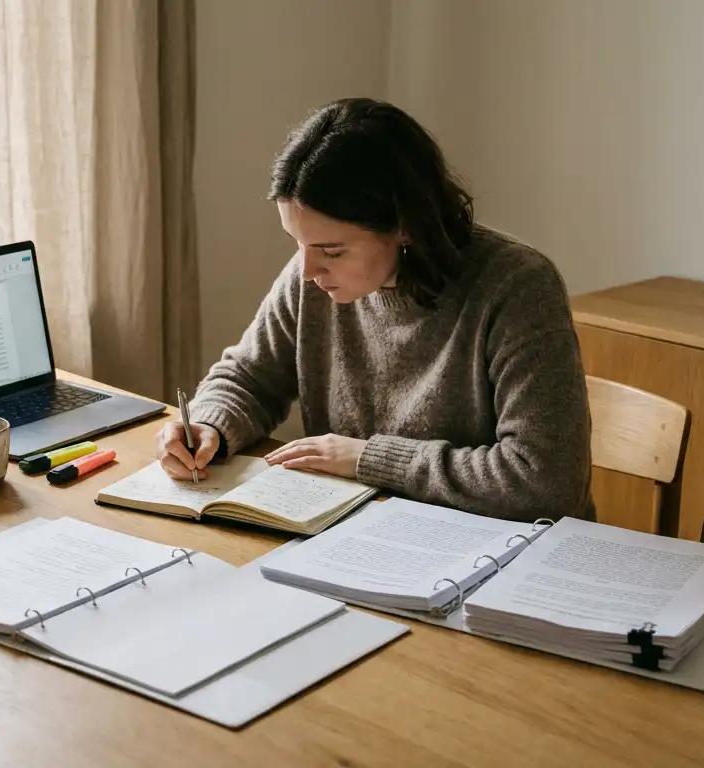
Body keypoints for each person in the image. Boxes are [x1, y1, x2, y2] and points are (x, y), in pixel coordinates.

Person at [154, 97, 595, 522]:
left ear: (404, 226)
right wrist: (209, 424)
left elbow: (545, 482)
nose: (307, 271)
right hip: (363, 530)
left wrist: (371, 459)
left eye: (332, 250)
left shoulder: (517, 285)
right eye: (297, 244)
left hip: (498, 558)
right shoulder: (313, 275)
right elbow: (249, 377)